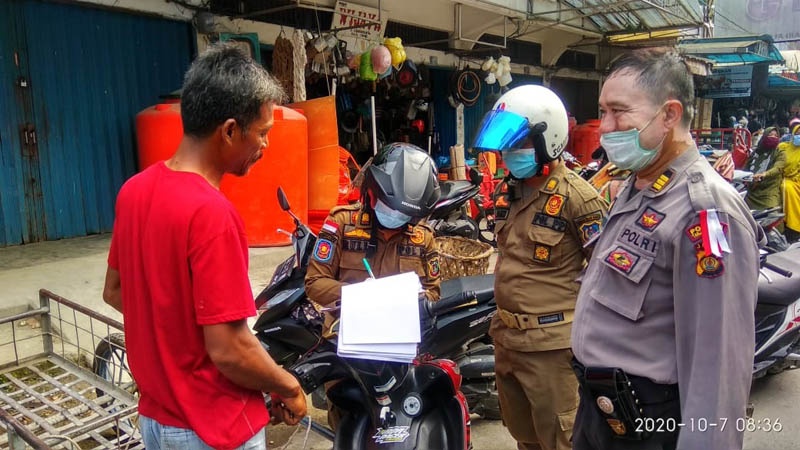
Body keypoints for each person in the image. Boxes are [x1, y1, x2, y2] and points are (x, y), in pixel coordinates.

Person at [102, 43, 307, 450]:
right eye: (262, 133)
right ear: (230, 130)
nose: (265, 147)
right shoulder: (213, 214)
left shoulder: (133, 192)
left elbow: (115, 291)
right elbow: (229, 350)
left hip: (156, 422)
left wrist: (174, 342)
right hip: (213, 429)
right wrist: (288, 385)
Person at [571, 48, 763, 450]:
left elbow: (718, 365)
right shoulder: (637, 185)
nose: (605, 127)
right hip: (601, 412)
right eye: (602, 111)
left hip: (649, 423)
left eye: (619, 112)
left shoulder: (704, 209)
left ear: (670, 115)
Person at [472, 85, 609, 450]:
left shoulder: (578, 199)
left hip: (551, 349)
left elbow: (607, 278)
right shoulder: (510, 190)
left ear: (549, 140)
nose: (509, 155)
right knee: (525, 438)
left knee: (562, 442)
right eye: (507, 147)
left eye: (518, 145)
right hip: (507, 339)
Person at [304, 142, 442, 427]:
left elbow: (434, 293)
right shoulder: (342, 223)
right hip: (346, 349)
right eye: (390, 208)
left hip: (399, 352)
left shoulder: (423, 237)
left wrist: (404, 300)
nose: (395, 219)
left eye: (405, 215)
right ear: (372, 192)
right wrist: (361, 296)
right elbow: (315, 283)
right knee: (349, 426)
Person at [744, 127, 786, 210]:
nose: (773, 137)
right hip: (752, 189)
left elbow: (778, 168)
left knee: (772, 213)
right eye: (770, 135)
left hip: (769, 189)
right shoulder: (756, 152)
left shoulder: (780, 153)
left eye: (775, 136)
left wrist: (764, 174)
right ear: (764, 136)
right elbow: (746, 168)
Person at [781, 124, 800, 242]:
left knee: (786, 188)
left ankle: (794, 226)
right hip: (783, 178)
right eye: (797, 133)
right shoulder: (784, 147)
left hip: (796, 181)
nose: (799, 136)